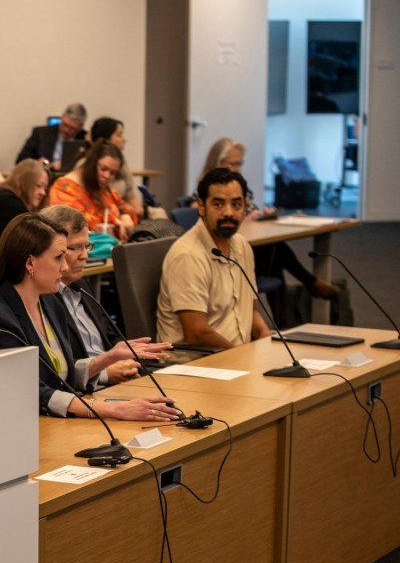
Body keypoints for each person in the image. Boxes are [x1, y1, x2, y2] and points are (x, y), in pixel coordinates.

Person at [0, 213, 181, 421]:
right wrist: (112, 409)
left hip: (53, 421)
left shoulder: (48, 301)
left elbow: (58, 376)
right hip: (15, 428)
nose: (65, 266)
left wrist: (107, 358)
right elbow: (28, 392)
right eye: (59, 257)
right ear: (30, 263)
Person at [42, 205, 170, 385]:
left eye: (87, 246)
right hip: (85, 389)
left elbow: (111, 336)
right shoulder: (42, 297)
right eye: (75, 248)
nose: (85, 256)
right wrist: (105, 373)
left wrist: (128, 363)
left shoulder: (81, 284)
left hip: (117, 381)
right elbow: (56, 367)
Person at [200, 137, 339, 300]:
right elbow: (211, 227)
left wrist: (261, 215)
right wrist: (242, 221)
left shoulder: (240, 188)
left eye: (239, 164)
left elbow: (250, 212)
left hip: (249, 247)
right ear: (216, 162)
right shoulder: (204, 193)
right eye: (230, 163)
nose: (235, 168)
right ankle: (308, 285)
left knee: (274, 253)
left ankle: (292, 310)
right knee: (276, 252)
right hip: (225, 254)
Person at [157, 167, 271, 349]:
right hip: (196, 363)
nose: (229, 213)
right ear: (201, 207)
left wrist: (266, 337)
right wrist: (241, 357)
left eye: (236, 204)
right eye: (218, 204)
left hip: (234, 357)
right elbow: (196, 333)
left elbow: (250, 311)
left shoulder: (242, 246)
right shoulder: (188, 255)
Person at [47, 141, 137, 240]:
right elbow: (80, 226)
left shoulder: (103, 189)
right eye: (103, 169)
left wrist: (125, 214)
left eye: (112, 173)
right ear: (92, 163)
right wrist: (115, 221)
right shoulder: (64, 188)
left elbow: (126, 210)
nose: (107, 176)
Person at [0, 158, 50, 257]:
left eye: (45, 188)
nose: (43, 193)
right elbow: (30, 246)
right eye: (38, 186)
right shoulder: (8, 202)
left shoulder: (4, 195)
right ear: (23, 181)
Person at [87, 116, 145, 218]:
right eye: (119, 135)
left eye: (113, 173)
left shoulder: (121, 161)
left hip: (124, 211)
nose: (124, 139)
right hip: (107, 214)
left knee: (158, 213)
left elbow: (130, 191)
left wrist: (136, 210)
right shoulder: (87, 162)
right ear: (105, 139)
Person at [16, 103, 88, 168]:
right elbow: (21, 160)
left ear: (80, 127)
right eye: (65, 124)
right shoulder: (41, 133)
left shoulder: (85, 138)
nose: (66, 130)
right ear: (62, 117)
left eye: (72, 128)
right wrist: (37, 163)